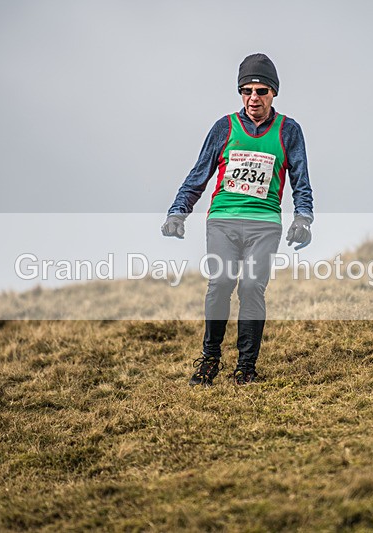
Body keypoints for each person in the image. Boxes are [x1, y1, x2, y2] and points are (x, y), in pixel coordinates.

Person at [161, 53, 314, 386]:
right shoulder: (224, 128)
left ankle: (246, 367)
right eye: (247, 91)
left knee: (251, 287)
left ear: (274, 93)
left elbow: (301, 181)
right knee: (220, 284)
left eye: (261, 91)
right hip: (223, 222)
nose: (253, 98)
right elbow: (198, 174)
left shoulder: (289, 131)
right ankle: (210, 359)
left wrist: (303, 219)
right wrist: (178, 212)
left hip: (264, 224)